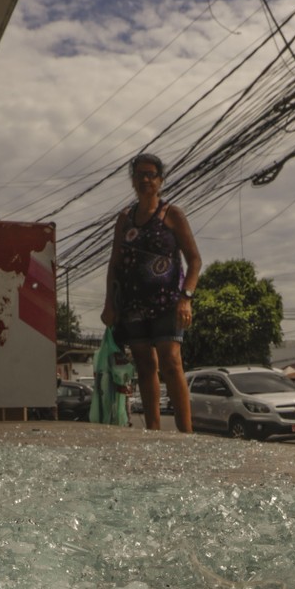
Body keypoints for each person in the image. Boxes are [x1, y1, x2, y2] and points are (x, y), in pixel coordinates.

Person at [101, 153, 202, 432]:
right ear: (133, 180)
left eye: (151, 175)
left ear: (160, 180)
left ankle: (185, 434)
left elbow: (194, 260)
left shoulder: (172, 214)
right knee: (145, 366)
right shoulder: (125, 219)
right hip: (134, 304)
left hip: (168, 302)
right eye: (140, 174)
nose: (146, 179)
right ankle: (154, 433)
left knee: (171, 361)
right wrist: (109, 303)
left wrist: (186, 298)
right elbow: (114, 264)